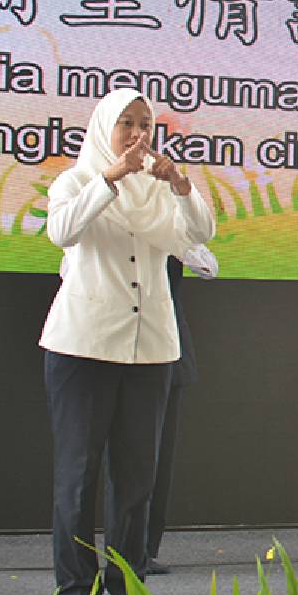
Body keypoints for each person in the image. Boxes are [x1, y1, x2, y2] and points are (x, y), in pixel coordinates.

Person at [40, 88, 215, 595]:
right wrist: (110, 180)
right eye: (127, 125)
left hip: (151, 348)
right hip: (84, 346)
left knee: (137, 476)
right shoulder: (77, 181)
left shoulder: (161, 189)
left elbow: (202, 233)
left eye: (146, 124)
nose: (139, 135)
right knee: (79, 474)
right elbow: (61, 231)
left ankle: (126, 581)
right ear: (104, 131)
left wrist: (183, 186)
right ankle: (76, 587)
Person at [104, 245, 219, 577]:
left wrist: (175, 237)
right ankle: (114, 552)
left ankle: (145, 549)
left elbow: (209, 267)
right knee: (114, 461)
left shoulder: (171, 219)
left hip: (166, 349)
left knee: (157, 459)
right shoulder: (103, 216)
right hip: (109, 347)